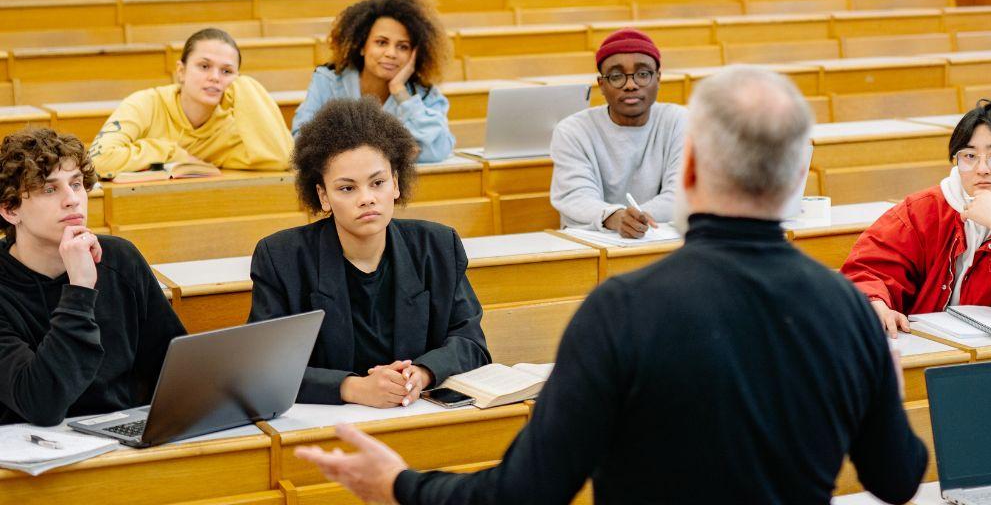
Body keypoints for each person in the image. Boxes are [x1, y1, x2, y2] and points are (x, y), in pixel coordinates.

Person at [296, 66, 928, 505]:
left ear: (688, 169)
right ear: (797, 179)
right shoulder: (845, 308)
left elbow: (525, 494)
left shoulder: (624, 309)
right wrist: (882, 387)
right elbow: (899, 480)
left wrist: (399, 485)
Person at [248, 97, 489, 407]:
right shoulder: (281, 258)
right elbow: (264, 368)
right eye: (347, 188)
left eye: (378, 183)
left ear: (396, 183)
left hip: (414, 414)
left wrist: (422, 373)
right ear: (323, 195)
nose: (367, 199)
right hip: (325, 428)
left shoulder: (438, 246)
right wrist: (351, 388)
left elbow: (471, 343)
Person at [843, 100, 991, 335]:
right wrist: (873, 300)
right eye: (969, 156)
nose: (982, 169)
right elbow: (868, 269)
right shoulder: (925, 208)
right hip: (929, 344)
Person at [0, 129, 185, 425]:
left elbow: (176, 367)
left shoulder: (120, 259)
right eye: (50, 189)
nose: (72, 200)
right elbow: (42, 404)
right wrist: (80, 290)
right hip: (35, 453)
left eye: (76, 184)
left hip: (121, 440)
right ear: (11, 210)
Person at [89, 28, 293, 179]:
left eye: (227, 71)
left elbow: (281, 160)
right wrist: (173, 153)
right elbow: (98, 161)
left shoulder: (232, 129)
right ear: (181, 71)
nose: (215, 77)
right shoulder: (145, 104)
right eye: (204, 66)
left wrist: (245, 87)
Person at [549, 28, 686, 238]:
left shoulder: (681, 121)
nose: (630, 85)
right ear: (601, 84)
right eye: (616, 76)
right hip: (594, 242)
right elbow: (575, 196)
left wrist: (637, 220)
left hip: (661, 239)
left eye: (642, 74)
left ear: (658, 79)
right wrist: (616, 217)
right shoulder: (573, 131)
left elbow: (682, 193)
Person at [292, 0, 456, 164]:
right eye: (381, 42)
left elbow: (440, 150)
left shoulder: (423, 94)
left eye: (403, 47)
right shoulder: (328, 81)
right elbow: (301, 140)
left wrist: (400, 92)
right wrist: (396, 150)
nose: (391, 53)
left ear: (415, 54)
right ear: (362, 46)